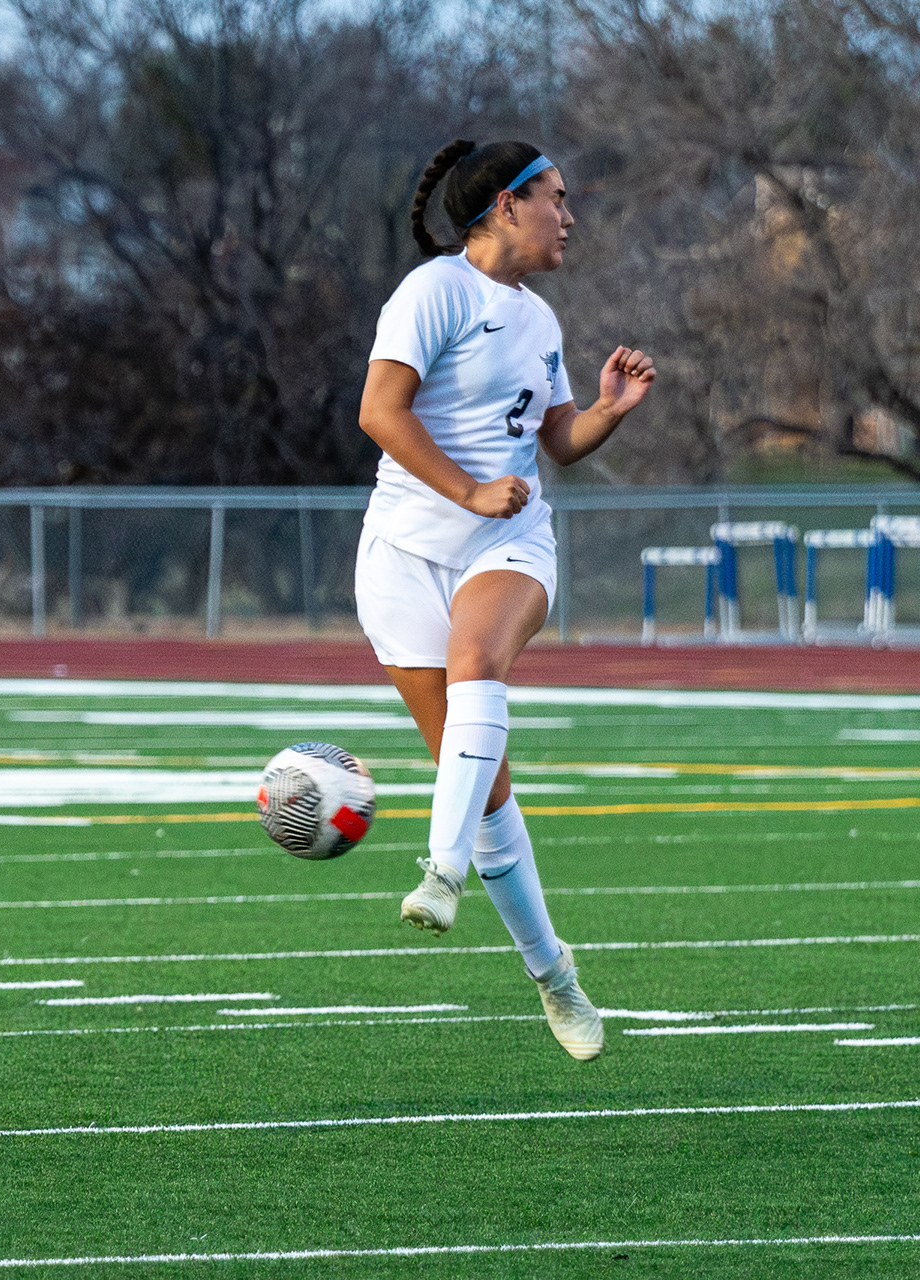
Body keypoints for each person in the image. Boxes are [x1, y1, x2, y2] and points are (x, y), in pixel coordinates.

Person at [355, 140, 656, 1062]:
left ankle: (440, 871)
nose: (569, 215)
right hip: (404, 556)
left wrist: (604, 412)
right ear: (503, 205)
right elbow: (380, 412)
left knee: (477, 662)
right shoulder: (433, 291)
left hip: (509, 542)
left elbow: (555, 440)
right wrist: (468, 489)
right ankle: (554, 973)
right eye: (556, 197)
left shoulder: (539, 317)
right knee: (484, 787)